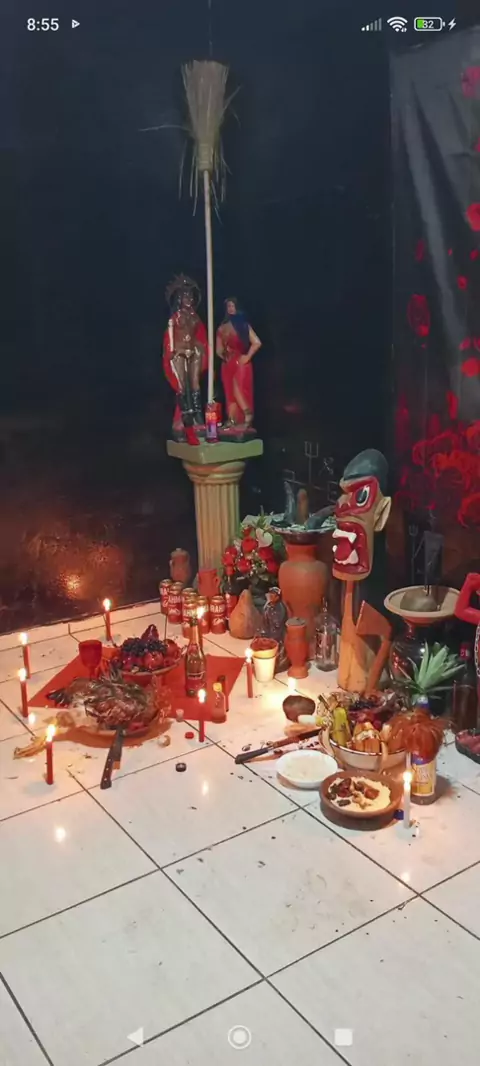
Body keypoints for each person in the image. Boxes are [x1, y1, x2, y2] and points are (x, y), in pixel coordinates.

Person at [163, 274, 207, 444]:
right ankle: (186, 416)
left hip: (193, 351)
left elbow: (201, 335)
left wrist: (201, 348)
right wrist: (172, 351)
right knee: (182, 386)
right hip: (179, 352)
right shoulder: (175, 318)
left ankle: (197, 415)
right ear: (180, 299)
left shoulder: (195, 317)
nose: (189, 299)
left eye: (190, 296)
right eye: (185, 296)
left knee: (195, 383)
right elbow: (170, 336)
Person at [216, 298, 261, 428]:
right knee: (229, 391)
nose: (231, 308)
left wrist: (248, 356)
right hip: (227, 363)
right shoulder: (222, 328)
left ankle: (247, 413)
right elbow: (218, 349)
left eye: (233, 306)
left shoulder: (243, 326)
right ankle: (232, 420)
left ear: (237, 307)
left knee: (238, 388)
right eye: (228, 306)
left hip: (240, 362)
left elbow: (257, 342)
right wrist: (224, 354)